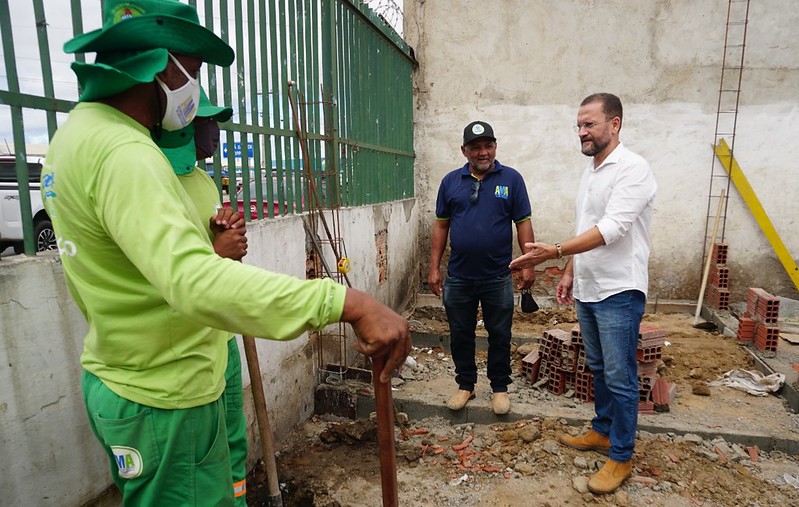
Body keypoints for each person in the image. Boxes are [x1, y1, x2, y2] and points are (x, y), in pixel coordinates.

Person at [42, 1, 411, 505]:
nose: (193, 88)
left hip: (129, 374)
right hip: (165, 395)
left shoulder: (75, 138)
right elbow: (194, 281)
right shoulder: (125, 154)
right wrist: (345, 302)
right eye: (190, 72)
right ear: (160, 65)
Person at [509, 93, 657, 494]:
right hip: (590, 289)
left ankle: (621, 457)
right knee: (598, 366)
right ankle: (603, 430)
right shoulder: (591, 172)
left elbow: (612, 229)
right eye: (578, 125)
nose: (582, 132)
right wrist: (570, 272)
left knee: (621, 376)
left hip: (619, 290)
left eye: (589, 124)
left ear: (615, 124)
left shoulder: (633, 169)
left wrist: (554, 251)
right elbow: (586, 226)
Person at [154, 89, 249, 504]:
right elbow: (163, 272)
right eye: (204, 122)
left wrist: (227, 228)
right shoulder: (154, 180)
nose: (212, 131)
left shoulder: (201, 177)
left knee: (232, 435)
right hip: (182, 346)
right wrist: (216, 252)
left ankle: (239, 498)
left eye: (214, 122)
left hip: (221, 333)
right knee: (198, 461)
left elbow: (214, 239)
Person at [428, 120, 535, 415]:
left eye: (488, 146)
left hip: (498, 276)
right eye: (476, 147)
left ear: (495, 147)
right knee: (460, 334)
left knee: (500, 333)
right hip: (459, 277)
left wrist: (528, 263)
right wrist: (434, 267)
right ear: (465, 151)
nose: (483, 152)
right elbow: (441, 226)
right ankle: (466, 385)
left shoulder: (511, 180)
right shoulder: (450, 182)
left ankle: (499, 388)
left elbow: (523, 223)